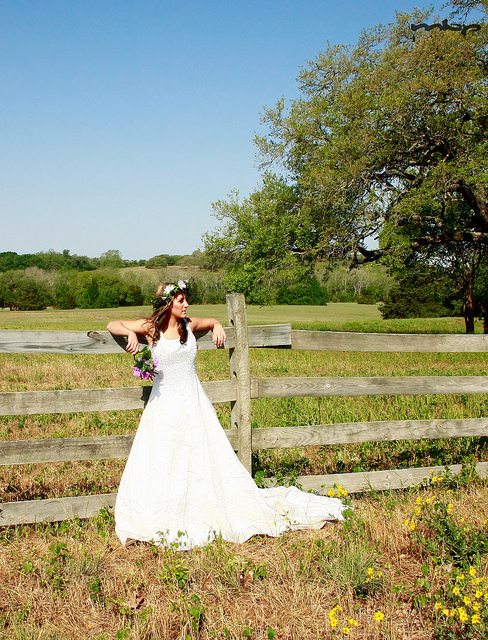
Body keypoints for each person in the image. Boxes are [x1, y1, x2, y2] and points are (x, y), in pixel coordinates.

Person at [108, 279, 348, 550]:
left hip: (193, 402)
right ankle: (166, 511)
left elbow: (209, 320)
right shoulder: (151, 329)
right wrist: (129, 333)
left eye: (187, 299)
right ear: (167, 303)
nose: (186, 305)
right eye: (180, 300)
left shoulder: (188, 326)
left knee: (200, 456)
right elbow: (111, 325)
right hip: (163, 404)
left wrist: (217, 324)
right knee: (164, 456)